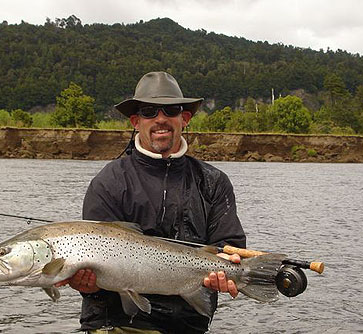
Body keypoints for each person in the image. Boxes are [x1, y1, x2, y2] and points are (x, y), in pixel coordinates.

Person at [56, 71, 246, 334]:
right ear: (136, 121)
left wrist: (229, 268)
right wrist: (88, 285)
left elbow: (230, 246)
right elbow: (93, 275)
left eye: (170, 110)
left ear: (185, 118)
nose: (160, 120)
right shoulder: (109, 182)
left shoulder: (214, 181)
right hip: (117, 323)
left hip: (188, 325)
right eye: (149, 112)